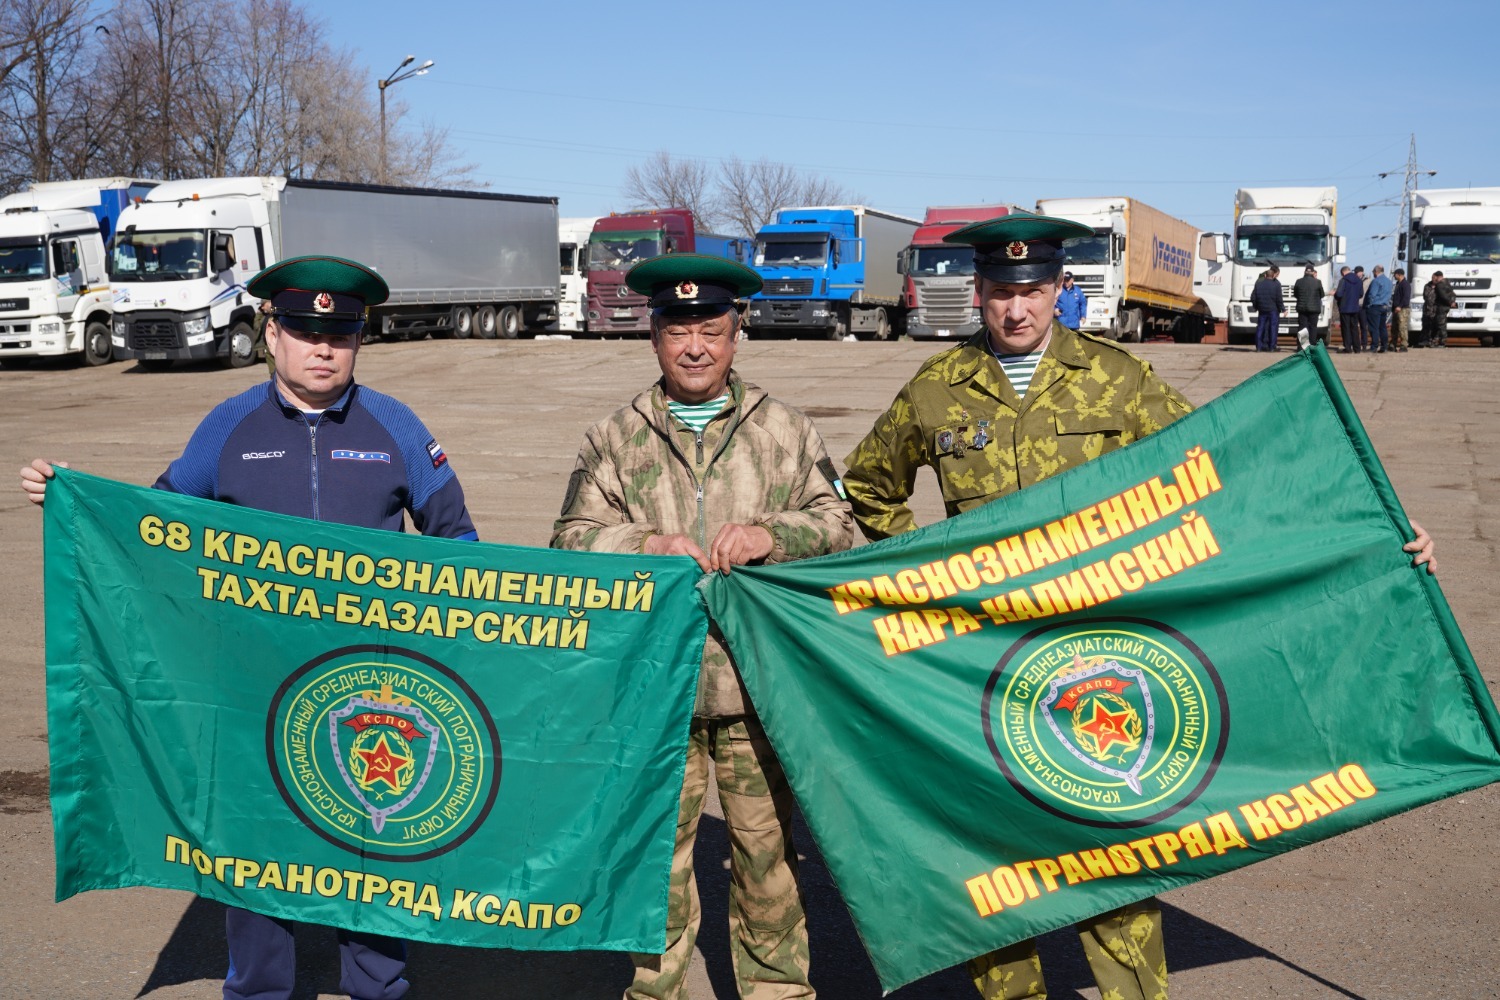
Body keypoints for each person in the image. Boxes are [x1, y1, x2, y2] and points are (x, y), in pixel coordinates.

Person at [838, 213, 1438, 1000]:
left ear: (1059, 289)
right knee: (996, 858)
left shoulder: (1116, 378)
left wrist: (1369, 531)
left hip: (1100, 659)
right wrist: (925, 582)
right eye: (1001, 292)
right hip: (981, 667)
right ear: (978, 291)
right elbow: (868, 486)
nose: (1016, 309)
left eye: (1033, 290)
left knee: (1113, 850)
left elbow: (1220, 469)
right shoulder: (936, 388)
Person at [22, 254, 479, 1000]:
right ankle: (261, 991)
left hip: (370, 686)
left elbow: (457, 543)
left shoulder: (395, 426)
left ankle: (378, 987)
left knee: (373, 846)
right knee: (255, 850)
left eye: (341, 334)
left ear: (359, 340)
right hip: (250, 692)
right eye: (304, 330)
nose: (323, 348)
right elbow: (152, 528)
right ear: (272, 334)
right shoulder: (228, 427)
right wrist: (72, 500)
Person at [550, 253, 853, 1000]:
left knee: (767, 859)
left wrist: (771, 535)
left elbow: (838, 524)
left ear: (735, 334)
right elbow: (569, 539)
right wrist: (643, 544)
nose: (695, 348)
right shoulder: (615, 437)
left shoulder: (784, 430)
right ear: (654, 337)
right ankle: (656, 991)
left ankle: (778, 990)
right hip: (655, 694)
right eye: (678, 331)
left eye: (711, 331)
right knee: (655, 863)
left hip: (758, 688)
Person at [1251, 263, 1283, 351]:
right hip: (1273, 309)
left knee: (1261, 327)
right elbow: (1279, 298)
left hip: (1262, 308)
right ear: (1273, 274)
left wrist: (1256, 306)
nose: (1278, 276)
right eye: (1277, 274)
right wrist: (1282, 308)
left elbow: (1254, 297)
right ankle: (1271, 347)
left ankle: (1259, 347)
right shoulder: (1276, 284)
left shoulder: (1259, 282)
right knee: (1272, 328)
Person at [1292, 263, 1325, 347]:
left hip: (1302, 308)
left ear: (1305, 272)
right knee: (1313, 327)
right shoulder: (1318, 282)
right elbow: (1322, 295)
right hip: (1314, 309)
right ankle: (1312, 344)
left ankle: (1302, 346)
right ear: (1313, 272)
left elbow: (1295, 294)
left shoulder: (1299, 281)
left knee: (1302, 327)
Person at [1365, 265, 1393, 353]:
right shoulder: (1389, 281)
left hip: (1375, 306)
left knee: (1374, 328)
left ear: (1376, 272)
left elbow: (1372, 295)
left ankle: (1374, 346)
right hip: (1384, 306)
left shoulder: (1376, 281)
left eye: (1373, 272)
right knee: (1382, 327)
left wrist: (1368, 304)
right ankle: (1384, 346)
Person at [1337, 265, 1365, 353]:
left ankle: (1348, 348)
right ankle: (1357, 348)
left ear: (1343, 272)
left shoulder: (1343, 280)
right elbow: (1361, 294)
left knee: (1346, 328)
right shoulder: (1359, 280)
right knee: (1355, 328)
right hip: (1355, 307)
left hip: (1344, 307)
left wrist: (1336, 295)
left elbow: (1339, 294)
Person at [1427, 271, 1457, 347]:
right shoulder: (1447, 283)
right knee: (1443, 323)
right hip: (1446, 307)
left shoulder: (1439, 285)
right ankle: (1440, 341)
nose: (1435, 279)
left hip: (1441, 307)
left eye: (1435, 277)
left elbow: (1442, 296)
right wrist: (1452, 301)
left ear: (1438, 277)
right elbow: (1453, 294)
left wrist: (1450, 302)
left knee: (1440, 325)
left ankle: (1442, 342)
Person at [1391, 268, 1412, 352]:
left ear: (1399, 275)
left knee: (1402, 327)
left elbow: (1406, 297)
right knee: (1394, 328)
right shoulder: (1398, 284)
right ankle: (1393, 344)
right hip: (1396, 309)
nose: (1394, 276)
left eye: (1395, 274)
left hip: (1403, 309)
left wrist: (1400, 306)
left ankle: (1404, 345)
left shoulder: (1405, 284)